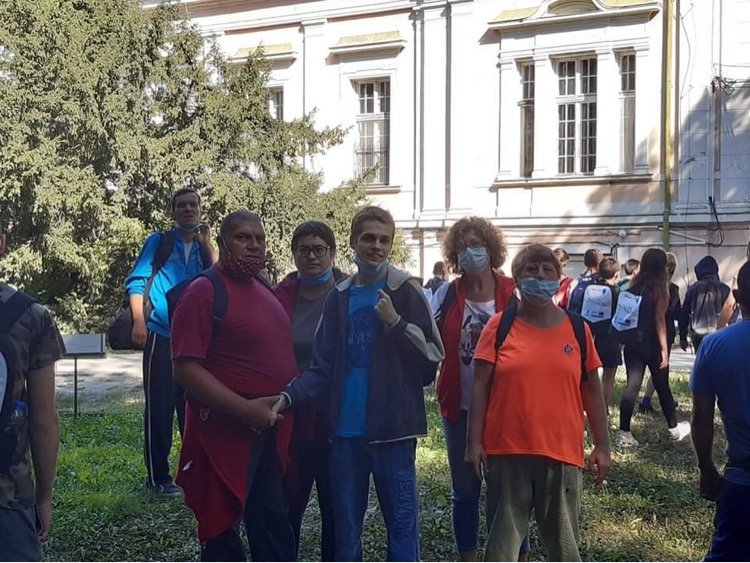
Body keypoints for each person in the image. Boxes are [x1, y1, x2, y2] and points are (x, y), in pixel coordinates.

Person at [274, 206, 445, 561]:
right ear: (353, 242)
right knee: (346, 533)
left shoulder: (405, 290)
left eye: (384, 240)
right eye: (368, 238)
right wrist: (289, 396)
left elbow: (432, 356)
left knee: (402, 528)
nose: (376, 246)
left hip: (393, 433)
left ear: (391, 244)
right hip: (344, 435)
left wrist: (396, 323)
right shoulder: (339, 296)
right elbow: (322, 367)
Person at [466, 244, 611, 562]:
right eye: (531, 269)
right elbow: (479, 388)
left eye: (547, 269)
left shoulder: (578, 329)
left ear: (559, 278)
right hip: (507, 453)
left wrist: (603, 445)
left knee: (565, 550)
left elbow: (592, 391)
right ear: (517, 278)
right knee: (501, 551)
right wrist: (473, 443)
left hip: (562, 455)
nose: (540, 275)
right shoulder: (499, 327)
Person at [170, 211, 296, 561]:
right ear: (222, 243)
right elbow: (184, 369)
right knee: (222, 527)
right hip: (224, 434)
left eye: (259, 239)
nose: (253, 245)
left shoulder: (264, 287)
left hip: (268, 429)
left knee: (271, 521)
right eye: (242, 237)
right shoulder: (203, 292)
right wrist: (245, 410)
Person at [429, 217, 521, 562]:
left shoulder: (513, 291)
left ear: (490, 248)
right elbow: (428, 339)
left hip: (505, 407)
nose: (470, 252)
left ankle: (513, 556)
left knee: (508, 493)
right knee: (465, 492)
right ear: (454, 254)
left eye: (476, 244)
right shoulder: (447, 294)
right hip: (459, 405)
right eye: (463, 246)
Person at [126, 188, 216, 495]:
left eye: (193, 205)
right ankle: (158, 478)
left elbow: (217, 280)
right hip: (161, 334)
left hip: (195, 340)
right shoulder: (159, 242)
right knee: (159, 408)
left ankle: (193, 474)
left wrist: (207, 244)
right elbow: (137, 282)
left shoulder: (205, 247)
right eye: (182, 205)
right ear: (173, 211)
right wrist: (139, 322)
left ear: (200, 210)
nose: (188, 210)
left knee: (193, 408)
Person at [274, 221, 346, 561]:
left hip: (337, 416)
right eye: (304, 249)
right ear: (294, 255)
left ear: (332, 252)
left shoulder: (350, 292)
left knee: (337, 509)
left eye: (319, 249)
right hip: (292, 416)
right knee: (288, 503)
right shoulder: (279, 297)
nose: (312, 256)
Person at [0, 217, 65, 561]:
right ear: (2, 244)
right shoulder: (31, 316)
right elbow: (43, 420)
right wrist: (44, 497)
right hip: (7, 490)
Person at [690, 259, 750, 561]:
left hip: (742, 479)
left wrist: (706, 468)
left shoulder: (714, 345)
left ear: (736, 296)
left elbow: (701, 417)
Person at [615, 248, 690, 446]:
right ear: (662, 266)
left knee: (632, 386)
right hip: (653, 345)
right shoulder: (661, 289)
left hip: (633, 343)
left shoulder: (632, 286)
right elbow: (659, 320)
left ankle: (624, 432)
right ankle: (674, 428)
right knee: (662, 385)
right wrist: (664, 349)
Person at [639, 252, 681, 414]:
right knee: (661, 372)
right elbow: (671, 313)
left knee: (640, 374)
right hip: (664, 333)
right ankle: (666, 408)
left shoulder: (641, 286)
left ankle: (646, 400)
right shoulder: (671, 289)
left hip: (642, 333)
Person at [679, 256, 731, 353]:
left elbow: (684, 314)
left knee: (701, 358)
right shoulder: (725, 289)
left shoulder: (693, 289)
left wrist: (682, 337)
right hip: (720, 333)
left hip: (698, 334)